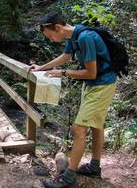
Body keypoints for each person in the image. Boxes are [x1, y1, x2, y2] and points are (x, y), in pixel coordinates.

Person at [29, 11, 116, 188]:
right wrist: (41, 68)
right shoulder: (74, 36)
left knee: (78, 128)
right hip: (95, 85)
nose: (51, 40)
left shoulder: (84, 38)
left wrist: (63, 73)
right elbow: (66, 57)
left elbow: (91, 73)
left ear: (58, 27)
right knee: (96, 125)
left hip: (101, 84)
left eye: (51, 35)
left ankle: (68, 177)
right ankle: (94, 166)